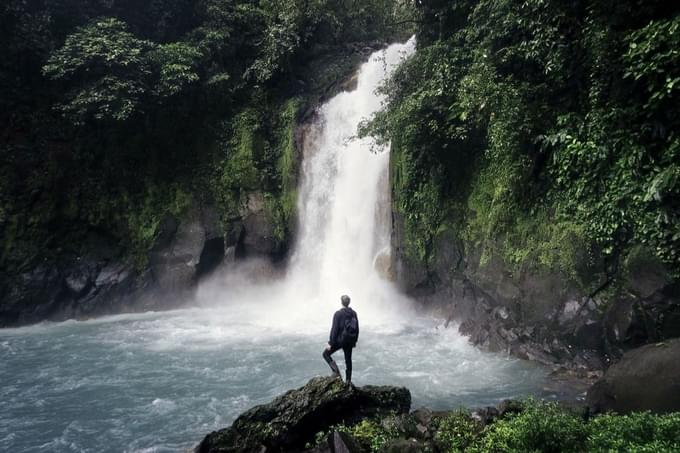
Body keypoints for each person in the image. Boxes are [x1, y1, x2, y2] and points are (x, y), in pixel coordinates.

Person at [322, 294, 359, 386]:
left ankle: (336, 373)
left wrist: (331, 343)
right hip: (350, 340)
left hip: (340, 340)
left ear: (341, 302)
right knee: (348, 360)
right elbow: (357, 328)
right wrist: (354, 341)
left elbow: (334, 330)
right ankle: (348, 381)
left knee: (325, 354)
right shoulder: (354, 313)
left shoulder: (338, 314)